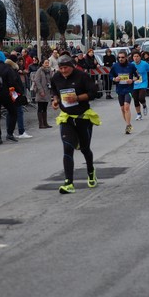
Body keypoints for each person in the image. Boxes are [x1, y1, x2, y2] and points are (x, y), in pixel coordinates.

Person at [50, 55, 100, 194]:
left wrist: (77, 98)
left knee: (85, 149)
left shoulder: (82, 76)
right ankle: (69, 183)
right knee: (68, 148)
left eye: (66, 68)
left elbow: (94, 93)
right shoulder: (56, 77)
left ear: (72, 66)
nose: (63, 70)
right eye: (61, 68)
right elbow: (54, 90)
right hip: (66, 117)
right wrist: (55, 100)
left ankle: (90, 171)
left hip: (82, 117)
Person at [109, 51, 138, 134]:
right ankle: (128, 124)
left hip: (128, 89)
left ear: (126, 58)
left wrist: (132, 80)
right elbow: (110, 76)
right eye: (119, 57)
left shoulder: (131, 66)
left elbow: (138, 76)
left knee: (126, 107)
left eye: (122, 57)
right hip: (119, 89)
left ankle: (128, 126)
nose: (120, 59)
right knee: (122, 109)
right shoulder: (115, 66)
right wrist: (115, 79)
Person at [131, 51, 149, 121]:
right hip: (134, 84)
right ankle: (139, 114)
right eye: (134, 56)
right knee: (135, 99)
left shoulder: (144, 64)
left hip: (143, 83)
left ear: (140, 57)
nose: (136, 58)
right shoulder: (131, 65)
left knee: (141, 97)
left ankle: (144, 105)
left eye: (137, 56)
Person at [34, 57, 53, 128]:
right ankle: (41, 124)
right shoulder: (40, 70)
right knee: (40, 107)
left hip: (47, 91)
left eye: (48, 62)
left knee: (45, 107)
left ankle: (45, 123)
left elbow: (51, 79)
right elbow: (37, 81)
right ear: (42, 64)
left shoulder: (49, 70)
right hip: (41, 91)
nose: (47, 64)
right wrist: (41, 90)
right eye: (46, 63)